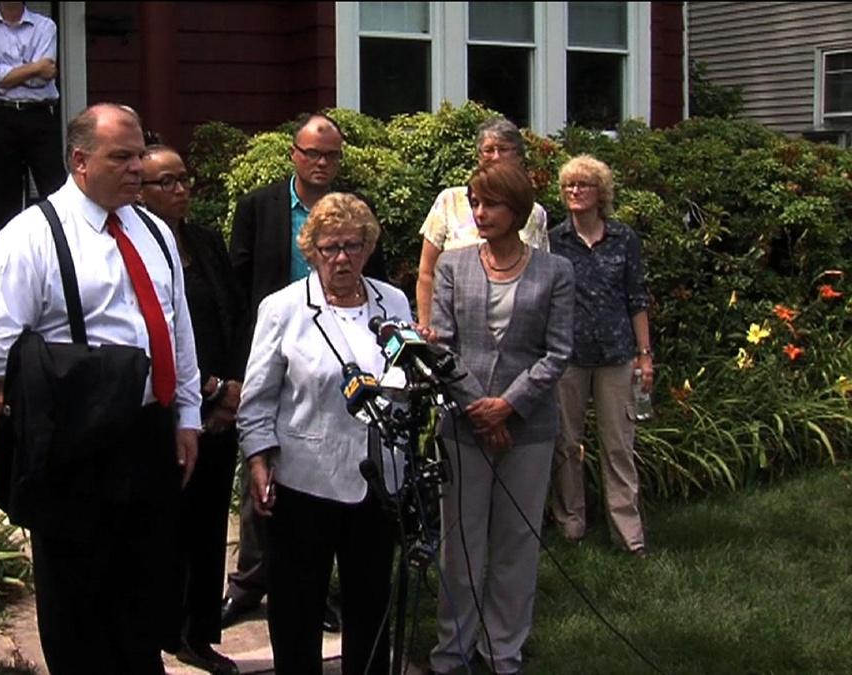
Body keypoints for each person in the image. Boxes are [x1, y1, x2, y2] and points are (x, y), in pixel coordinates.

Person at [0, 103, 201, 674]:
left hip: (148, 438)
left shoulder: (154, 232)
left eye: (139, 155)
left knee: (143, 603)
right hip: (76, 445)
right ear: (79, 160)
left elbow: (178, 328)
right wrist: (89, 374)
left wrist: (188, 415)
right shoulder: (31, 237)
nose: (137, 169)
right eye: (121, 157)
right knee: (78, 608)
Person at [238, 192, 410, 675]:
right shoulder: (283, 308)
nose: (342, 258)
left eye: (353, 246)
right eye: (330, 247)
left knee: (370, 605)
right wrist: (258, 459)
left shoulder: (391, 301)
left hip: (377, 480)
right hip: (302, 481)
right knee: (297, 607)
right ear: (310, 251)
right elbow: (257, 397)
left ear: (368, 247)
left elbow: (406, 376)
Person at [224, 112, 384, 630]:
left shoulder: (356, 214)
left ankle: (325, 595)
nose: (321, 162)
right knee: (266, 487)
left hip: (343, 359)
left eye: (331, 154)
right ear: (294, 154)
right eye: (312, 153)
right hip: (279, 345)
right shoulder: (260, 207)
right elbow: (238, 283)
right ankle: (250, 583)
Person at [427, 161, 574, 675]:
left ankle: (501, 650)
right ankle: (453, 651)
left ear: (518, 210)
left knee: (516, 546)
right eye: (474, 201)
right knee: (461, 546)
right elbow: (441, 344)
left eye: (490, 203)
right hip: (463, 426)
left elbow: (556, 353)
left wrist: (508, 405)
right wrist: (478, 407)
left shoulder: (556, 271)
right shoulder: (452, 264)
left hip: (528, 430)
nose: (479, 212)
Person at [138, 140, 245, 675]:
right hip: (166, 412)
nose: (180, 190)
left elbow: (232, 316)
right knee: (165, 530)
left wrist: (231, 392)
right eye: (167, 182)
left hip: (221, 412)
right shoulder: (134, 248)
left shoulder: (204, 242)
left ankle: (197, 634)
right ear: (142, 190)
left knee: (206, 532)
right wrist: (207, 389)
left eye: (184, 180)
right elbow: (153, 336)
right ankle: (154, 629)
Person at [548, 155, 652, 557]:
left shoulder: (624, 239)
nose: (574, 192)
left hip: (616, 354)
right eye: (569, 186)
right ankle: (571, 524)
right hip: (568, 355)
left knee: (618, 446)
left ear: (600, 193)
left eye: (583, 185)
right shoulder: (554, 241)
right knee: (566, 444)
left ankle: (629, 535)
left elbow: (637, 298)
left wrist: (645, 356)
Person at [415, 117, 550, 329]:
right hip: (453, 328)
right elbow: (426, 272)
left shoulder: (534, 213)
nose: (496, 156)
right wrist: (427, 326)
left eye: (504, 149)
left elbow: (542, 279)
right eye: (488, 150)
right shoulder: (450, 200)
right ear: (479, 157)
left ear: (519, 157)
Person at [0, 1, 64, 245]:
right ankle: (7, 254)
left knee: (54, 188)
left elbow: (44, 78)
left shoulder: (46, 26)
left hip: (39, 115)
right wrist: (33, 68)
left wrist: (7, 76)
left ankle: (59, 248)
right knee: (1, 194)